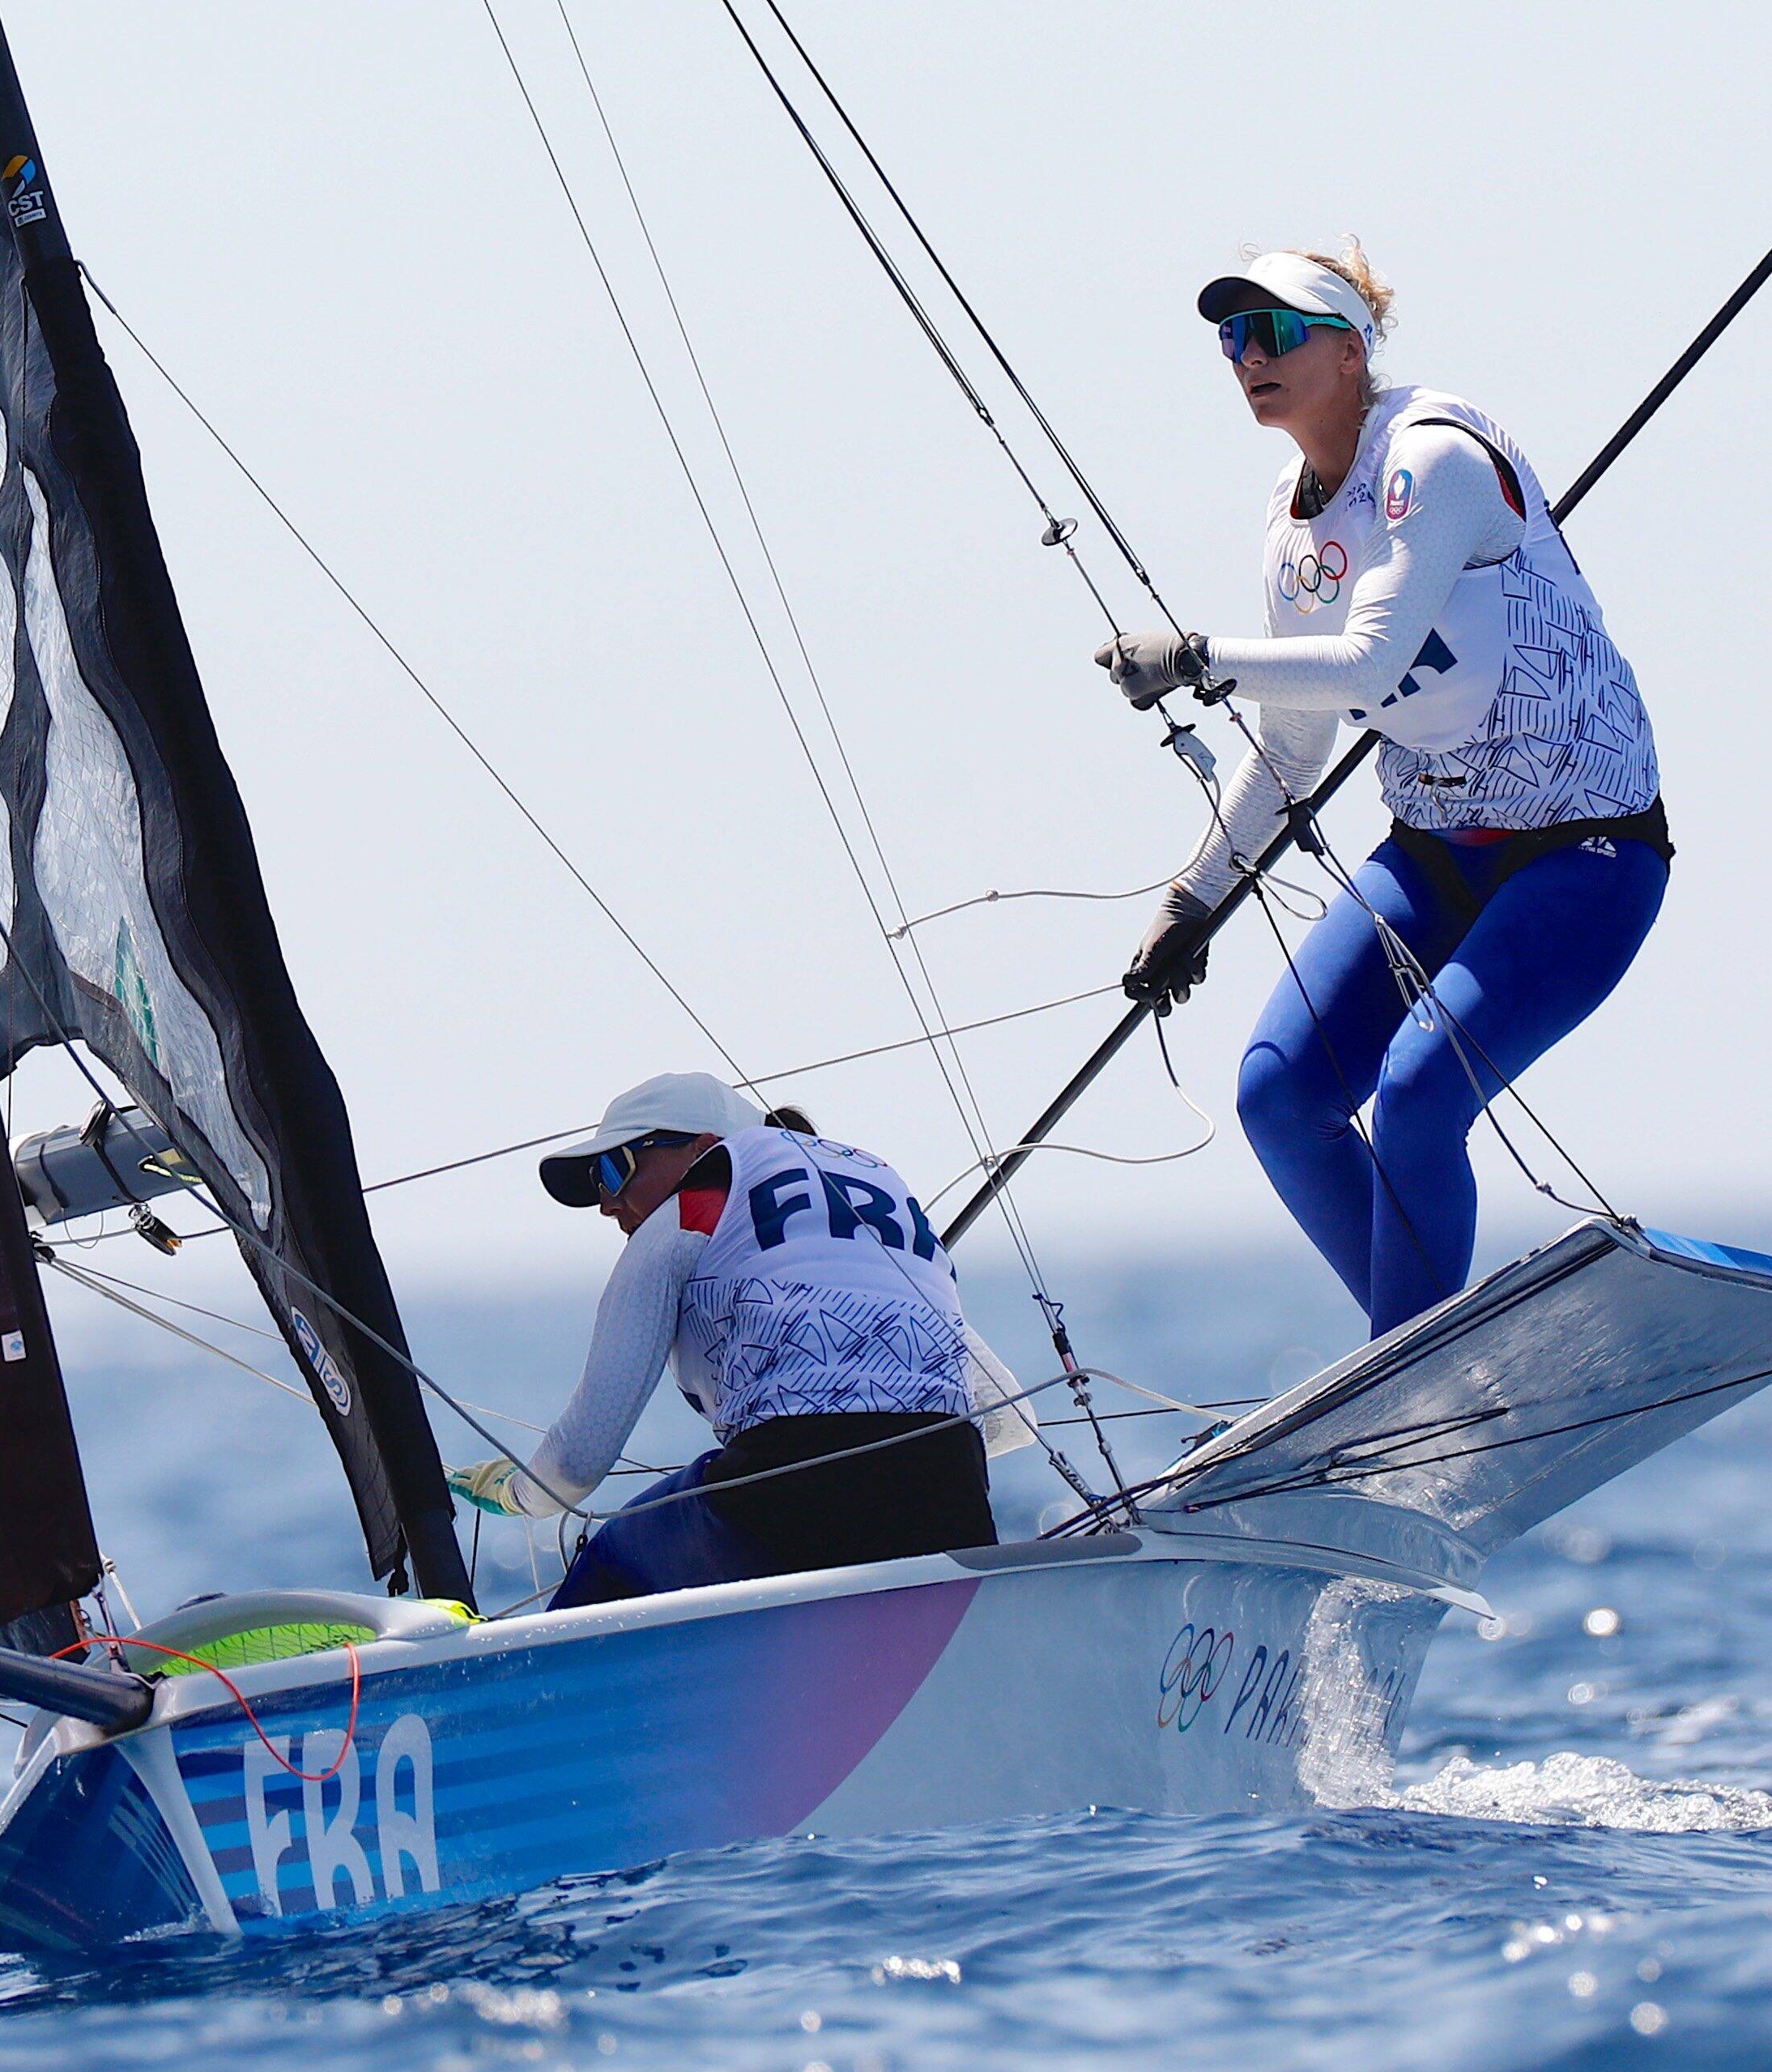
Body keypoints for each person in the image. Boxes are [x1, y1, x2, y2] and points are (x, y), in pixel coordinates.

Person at [1094, 243, 1670, 1337]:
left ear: (1351, 351)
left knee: (1415, 1095)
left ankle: (1415, 1374)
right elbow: (1294, 739)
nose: (1247, 355)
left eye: (1274, 332)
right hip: (1435, 851)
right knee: (1279, 1094)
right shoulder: (1291, 521)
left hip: (1584, 850)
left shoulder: (1432, 457)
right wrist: (1192, 899)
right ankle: (1444, 1362)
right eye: (1232, 337)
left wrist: (1195, 656)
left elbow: (1364, 663)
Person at [446, 1072, 1033, 1609]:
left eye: (616, 1169)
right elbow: (1012, 1421)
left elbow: (575, 1464)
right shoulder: (865, 1219)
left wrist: (516, 1493)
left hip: (784, 1508)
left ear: (703, 1149)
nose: (606, 1203)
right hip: (954, 1496)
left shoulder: (690, 1210)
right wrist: (889, 1463)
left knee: (614, 1562)